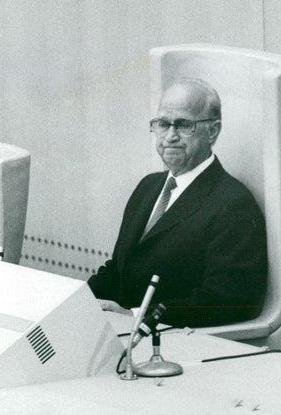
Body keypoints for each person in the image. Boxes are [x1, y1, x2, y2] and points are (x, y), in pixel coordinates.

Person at [88, 78, 267, 328]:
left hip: (171, 342)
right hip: (119, 333)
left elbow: (230, 299)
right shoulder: (148, 186)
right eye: (162, 124)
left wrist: (137, 316)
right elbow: (119, 269)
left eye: (183, 125)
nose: (170, 136)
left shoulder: (233, 204)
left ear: (212, 131)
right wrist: (77, 302)